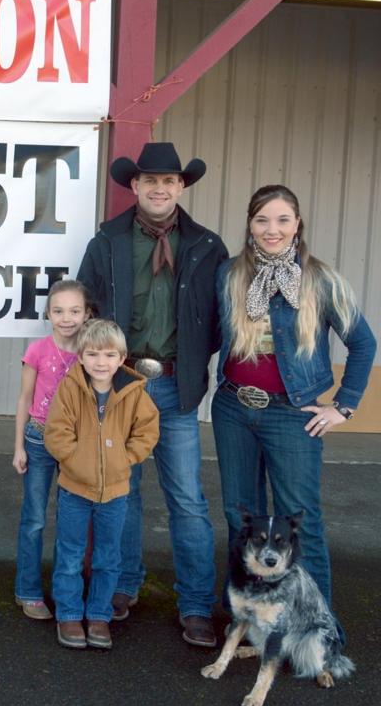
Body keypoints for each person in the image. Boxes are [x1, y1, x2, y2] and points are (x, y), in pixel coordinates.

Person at [76, 141, 228, 648]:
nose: (159, 188)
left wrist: (192, 364)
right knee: (124, 492)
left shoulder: (207, 245)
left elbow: (219, 319)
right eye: (149, 180)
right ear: (134, 186)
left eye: (169, 181)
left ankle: (196, 604)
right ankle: (122, 585)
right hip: (120, 386)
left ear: (180, 186)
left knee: (186, 498)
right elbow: (88, 308)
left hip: (174, 386)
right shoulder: (108, 241)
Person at [212, 185, 375, 641]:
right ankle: (250, 622)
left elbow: (363, 343)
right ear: (250, 224)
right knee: (240, 517)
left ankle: (318, 630)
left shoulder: (320, 281)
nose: (272, 229)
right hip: (233, 408)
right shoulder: (229, 275)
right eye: (263, 220)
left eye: (283, 220)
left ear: (297, 225)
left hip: (292, 415)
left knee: (300, 519)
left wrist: (344, 405)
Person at [45, 319, 159, 650]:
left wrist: (125, 458)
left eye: (109, 355)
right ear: (80, 356)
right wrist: (75, 461)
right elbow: (57, 432)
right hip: (74, 489)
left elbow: (147, 431)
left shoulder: (134, 391)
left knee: (108, 557)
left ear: (122, 357)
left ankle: (98, 615)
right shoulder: (70, 388)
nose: (101, 362)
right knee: (70, 554)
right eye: (93, 354)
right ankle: (68, 614)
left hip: (115, 492)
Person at [12, 280, 90, 620]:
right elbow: (25, 399)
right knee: (34, 518)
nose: (67, 318)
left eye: (75, 311)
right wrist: (18, 447)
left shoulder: (91, 352)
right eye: (58, 311)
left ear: (87, 313)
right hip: (38, 438)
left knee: (72, 520)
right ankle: (28, 590)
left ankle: (65, 592)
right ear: (48, 314)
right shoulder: (38, 351)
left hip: (76, 442)